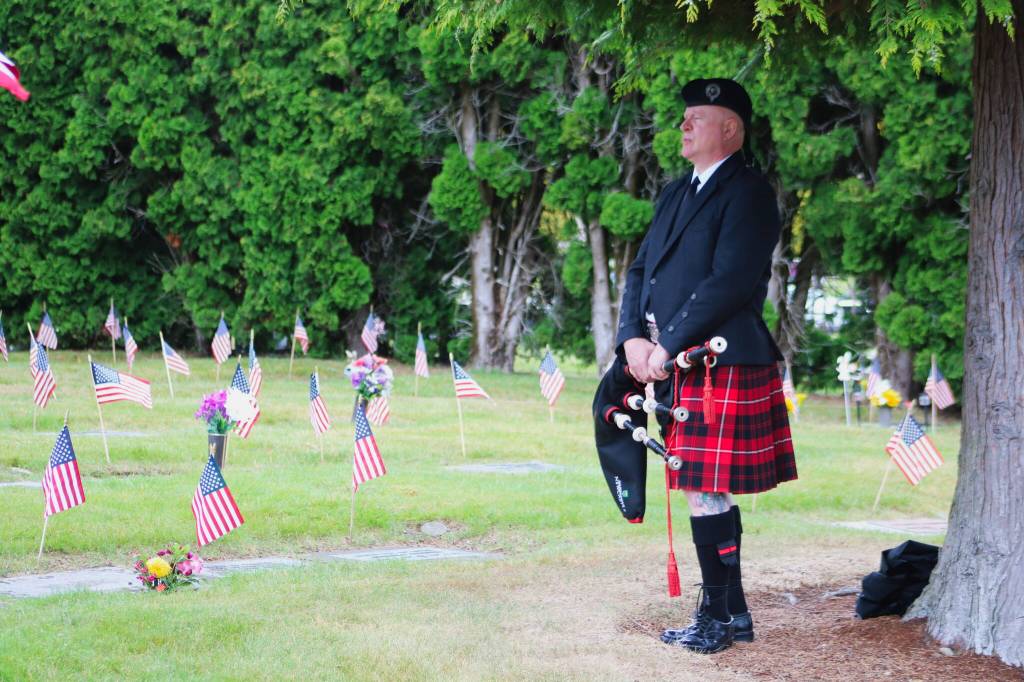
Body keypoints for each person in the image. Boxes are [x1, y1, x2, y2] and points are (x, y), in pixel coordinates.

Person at [605, 78, 798, 654]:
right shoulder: (673, 193)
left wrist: (667, 348)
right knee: (701, 487)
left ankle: (716, 619)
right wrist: (631, 340)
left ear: (730, 128)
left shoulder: (749, 193)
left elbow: (731, 282)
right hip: (673, 361)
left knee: (704, 486)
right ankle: (730, 613)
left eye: (696, 117)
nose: (684, 125)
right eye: (683, 116)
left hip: (720, 360)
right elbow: (641, 271)